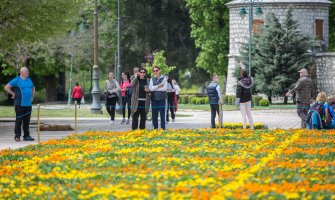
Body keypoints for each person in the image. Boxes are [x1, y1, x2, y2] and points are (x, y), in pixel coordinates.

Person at [4, 67, 35, 142]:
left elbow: (33, 88)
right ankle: (17, 136)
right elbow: (7, 87)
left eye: (28, 71)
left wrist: (32, 96)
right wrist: (13, 93)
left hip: (28, 104)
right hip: (19, 104)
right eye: (27, 71)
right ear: (22, 72)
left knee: (27, 121)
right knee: (19, 120)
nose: (28, 72)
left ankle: (26, 136)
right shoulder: (17, 80)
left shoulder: (29, 80)